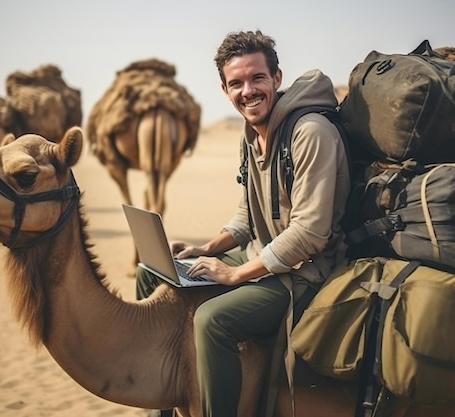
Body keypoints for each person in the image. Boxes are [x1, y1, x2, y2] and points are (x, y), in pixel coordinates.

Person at [136, 29, 351, 417]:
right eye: (236, 83)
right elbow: (246, 215)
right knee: (152, 272)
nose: (248, 91)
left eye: (257, 78)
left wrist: (236, 275)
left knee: (212, 320)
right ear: (225, 89)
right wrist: (207, 248)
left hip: (306, 274)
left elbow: (310, 232)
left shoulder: (310, 134)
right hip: (263, 259)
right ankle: (164, 401)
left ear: (277, 78)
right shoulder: (251, 135)